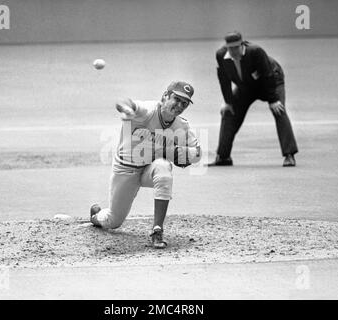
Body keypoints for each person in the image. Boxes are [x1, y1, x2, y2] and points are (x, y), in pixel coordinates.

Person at [90, 81, 202, 249]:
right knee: (113, 221)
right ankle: (96, 215)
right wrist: (127, 110)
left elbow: (197, 153)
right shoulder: (146, 111)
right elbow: (123, 101)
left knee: (164, 167)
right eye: (176, 99)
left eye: (184, 103)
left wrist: (172, 151)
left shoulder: (182, 125)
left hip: (150, 169)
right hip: (125, 170)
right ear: (165, 96)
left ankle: (157, 231)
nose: (179, 105)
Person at [209, 31, 298, 167]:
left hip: (271, 81)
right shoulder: (221, 55)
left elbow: (268, 75)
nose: (233, 51)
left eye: (236, 47)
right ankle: (223, 156)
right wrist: (228, 102)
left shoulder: (255, 52)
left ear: (242, 45)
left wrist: (273, 100)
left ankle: (289, 155)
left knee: (279, 110)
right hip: (246, 85)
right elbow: (224, 78)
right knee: (229, 113)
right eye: (230, 48)